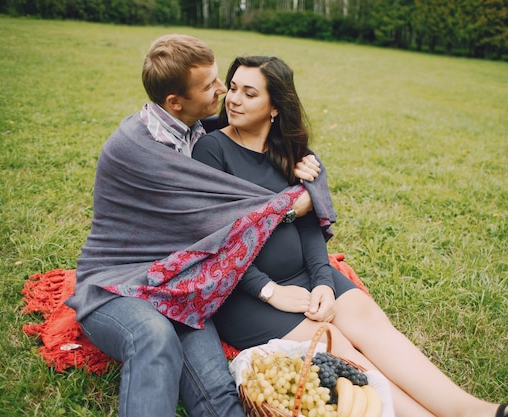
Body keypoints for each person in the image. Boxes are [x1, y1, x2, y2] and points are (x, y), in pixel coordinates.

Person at [191, 55, 508, 417]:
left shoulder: (293, 153)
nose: (234, 99)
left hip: (308, 275)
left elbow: (310, 226)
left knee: (373, 326)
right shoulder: (212, 151)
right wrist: (270, 291)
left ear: (276, 106)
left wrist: (324, 281)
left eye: (249, 92)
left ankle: (483, 411)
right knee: (336, 346)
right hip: (246, 291)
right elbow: (214, 240)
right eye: (234, 87)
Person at [65, 35, 321, 417]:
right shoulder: (137, 150)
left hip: (181, 283)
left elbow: (267, 130)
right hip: (119, 284)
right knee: (153, 338)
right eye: (211, 86)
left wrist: (310, 171)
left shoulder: (194, 127)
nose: (224, 91)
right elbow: (219, 222)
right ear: (174, 102)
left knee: (218, 391)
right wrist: (291, 205)